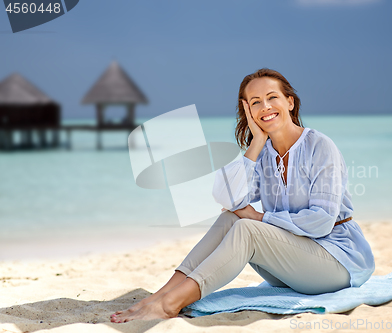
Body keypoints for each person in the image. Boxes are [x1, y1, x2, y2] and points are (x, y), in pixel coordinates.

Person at [110, 68, 375, 323]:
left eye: (273, 98)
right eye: (256, 102)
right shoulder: (264, 154)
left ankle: (170, 304)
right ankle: (161, 295)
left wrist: (261, 217)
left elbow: (322, 221)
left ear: (290, 102)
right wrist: (256, 143)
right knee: (232, 220)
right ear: (248, 111)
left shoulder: (319, 146)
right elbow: (226, 199)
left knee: (247, 228)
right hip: (294, 266)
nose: (266, 107)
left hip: (337, 263)